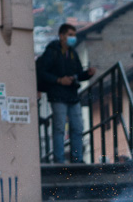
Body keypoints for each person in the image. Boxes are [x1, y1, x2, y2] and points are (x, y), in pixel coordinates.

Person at [36, 24, 96, 162]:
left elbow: (79, 74)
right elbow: (42, 72)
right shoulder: (52, 52)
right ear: (61, 36)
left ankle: (77, 158)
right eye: (70, 35)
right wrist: (59, 80)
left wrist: (87, 74)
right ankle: (59, 159)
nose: (72, 38)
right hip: (57, 95)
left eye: (73, 35)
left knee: (77, 127)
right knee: (59, 128)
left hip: (72, 95)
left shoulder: (73, 53)